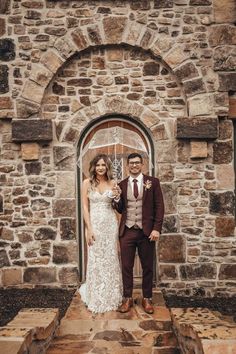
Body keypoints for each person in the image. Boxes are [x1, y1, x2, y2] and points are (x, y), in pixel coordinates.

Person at [112, 152, 164, 314]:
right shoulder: (122, 184)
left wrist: (156, 228)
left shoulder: (152, 182)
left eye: (137, 163)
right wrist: (116, 199)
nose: (134, 165)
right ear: (127, 166)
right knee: (126, 266)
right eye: (131, 163)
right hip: (127, 231)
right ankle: (127, 298)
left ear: (142, 165)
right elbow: (120, 209)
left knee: (147, 266)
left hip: (146, 231)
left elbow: (160, 207)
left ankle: (146, 298)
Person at [79, 154, 122, 313]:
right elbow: (84, 207)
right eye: (98, 165)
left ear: (107, 167)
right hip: (94, 225)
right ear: (93, 167)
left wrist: (117, 197)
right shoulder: (86, 183)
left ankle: (111, 295)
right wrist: (89, 228)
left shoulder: (113, 183)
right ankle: (96, 296)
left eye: (103, 165)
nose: (101, 168)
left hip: (110, 225)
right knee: (96, 260)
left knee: (110, 259)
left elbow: (118, 209)